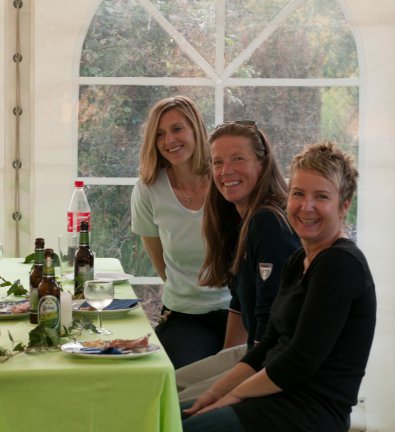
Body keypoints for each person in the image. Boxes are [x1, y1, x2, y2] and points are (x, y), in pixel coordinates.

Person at [182, 141, 376, 432]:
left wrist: (231, 397)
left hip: (307, 414)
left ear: (344, 206)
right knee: (166, 415)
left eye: (321, 196)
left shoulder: (341, 263)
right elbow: (269, 344)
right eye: (298, 193)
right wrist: (213, 393)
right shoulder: (298, 260)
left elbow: (299, 360)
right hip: (275, 399)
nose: (306, 206)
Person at [174, 121, 300, 400]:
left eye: (238, 159)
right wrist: (224, 360)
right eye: (217, 162)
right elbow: (240, 304)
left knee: (173, 402)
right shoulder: (238, 219)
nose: (225, 171)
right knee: (163, 384)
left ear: (262, 164)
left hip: (272, 362)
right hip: (253, 351)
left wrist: (228, 390)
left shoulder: (268, 223)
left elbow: (271, 323)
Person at [131, 96, 231, 369]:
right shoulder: (148, 189)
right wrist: (189, 294)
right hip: (185, 316)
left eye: (177, 129)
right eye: (160, 134)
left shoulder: (225, 180)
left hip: (237, 311)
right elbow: (161, 265)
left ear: (195, 129)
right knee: (179, 380)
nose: (169, 140)